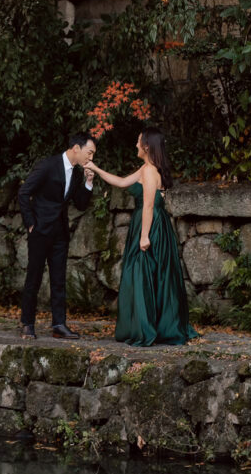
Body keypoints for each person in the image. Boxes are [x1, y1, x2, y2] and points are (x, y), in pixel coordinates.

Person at [86, 127, 197, 346]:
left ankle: (147, 327)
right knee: (155, 274)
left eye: (138, 142)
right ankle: (156, 325)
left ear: (146, 146)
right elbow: (121, 182)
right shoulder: (147, 168)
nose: (136, 145)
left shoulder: (148, 171)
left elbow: (148, 204)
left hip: (150, 225)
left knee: (142, 273)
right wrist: (95, 169)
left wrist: (144, 236)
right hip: (154, 223)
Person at [18, 132, 96, 340]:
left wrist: (88, 183)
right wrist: (31, 223)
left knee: (59, 279)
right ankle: (27, 323)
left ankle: (59, 325)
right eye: (89, 153)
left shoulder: (79, 173)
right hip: (40, 230)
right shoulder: (48, 166)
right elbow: (24, 192)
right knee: (33, 277)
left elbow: (79, 204)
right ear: (76, 149)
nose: (91, 158)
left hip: (60, 233)